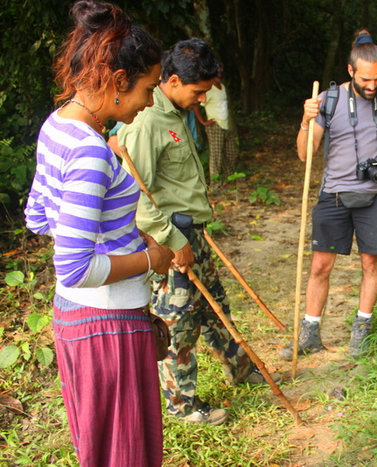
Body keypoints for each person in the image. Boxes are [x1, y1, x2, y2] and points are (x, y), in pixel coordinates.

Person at [24, 1, 174, 465]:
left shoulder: (59, 126)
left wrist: (120, 233)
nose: (150, 102)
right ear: (116, 81)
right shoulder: (90, 151)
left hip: (81, 322)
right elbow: (73, 267)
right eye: (148, 89)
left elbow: (36, 216)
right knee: (125, 456)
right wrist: (152, 259)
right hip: (105, 326)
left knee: (104, 451)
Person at [117, 38, 264, 426]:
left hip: (193, 234)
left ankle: (242, 369)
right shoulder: (147, 121)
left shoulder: (176, 113)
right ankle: (182, 406)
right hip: (170, 241)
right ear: (175, 80)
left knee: (215, 309)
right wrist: (174, 243)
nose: (201, 99)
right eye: (198, 92)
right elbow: (136, 197)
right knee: (178, 323)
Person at [280, 39, 377, 360]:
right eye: (365, 79)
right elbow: (303, 153)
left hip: (375, 196)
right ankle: (310, 332)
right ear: (350, 70)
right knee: (321, 265)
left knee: (370, 262)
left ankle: (361, 329)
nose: (372, 86)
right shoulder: (328, 99)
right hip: (334, 195)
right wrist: (306, 121)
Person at [193, 66, 236, 183]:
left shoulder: (223, 87)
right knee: (216, 156)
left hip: (227, 125)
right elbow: (196, 104)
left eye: (222, 73)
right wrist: (203, 121)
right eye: (217, 73)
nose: (220, 75)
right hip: (215, 125)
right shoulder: (209, 89)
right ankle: (215, 184)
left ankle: (230, 179)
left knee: (230, 153)